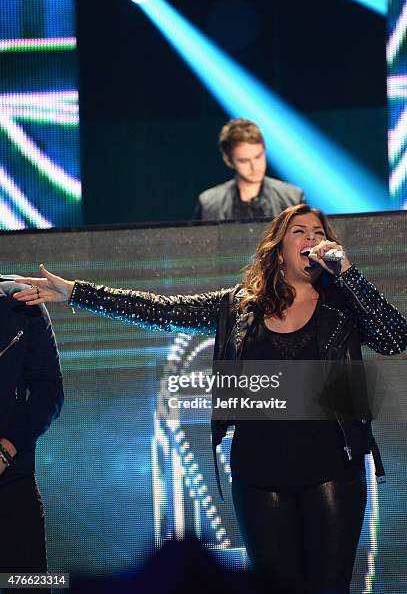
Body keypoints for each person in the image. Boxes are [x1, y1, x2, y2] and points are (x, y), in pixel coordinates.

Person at [13, 205, 406, 593]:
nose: (312, 240)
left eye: (319, 234)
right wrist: (76, 292)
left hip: (331, 468)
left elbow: (394, 338)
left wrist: (348, 274)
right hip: (260, 472)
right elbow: (159, 310)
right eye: (299, 232)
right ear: (279, 248)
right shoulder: (238, 306)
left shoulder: (341, 306)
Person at [0, 275, 63, 587]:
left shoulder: (19, 302)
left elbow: (49, 391)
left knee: (26, 584)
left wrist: (6, 449)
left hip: (11, 485)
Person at [194, 118, 305, 221]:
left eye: (258, 157)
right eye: (244, 161)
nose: (254, 166)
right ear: (228, 161)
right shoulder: (209, 203)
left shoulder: (292, 198)